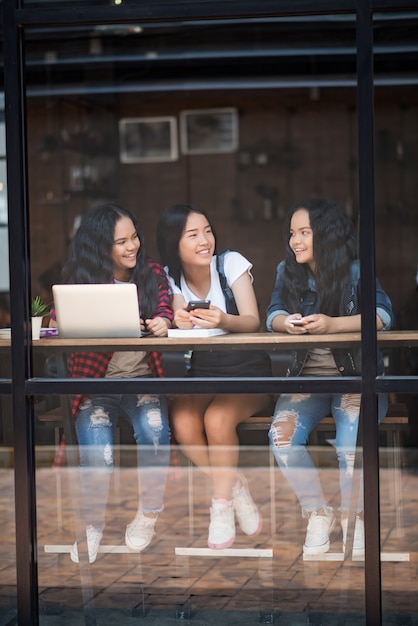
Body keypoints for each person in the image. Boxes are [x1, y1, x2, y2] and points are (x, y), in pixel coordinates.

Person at [266, 197, 394, 557]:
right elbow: (272, 313)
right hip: (307, 381)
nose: (295, 241)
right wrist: (285, 324)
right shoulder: (286, 271)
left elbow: (384, 315)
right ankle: (318, 512)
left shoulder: (355, 272)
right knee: (282, 437)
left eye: (304, 232)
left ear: (326, 234)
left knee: (350, 447)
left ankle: (358, 516)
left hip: (355, 379)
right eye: (292, 233)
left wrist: (332, 325)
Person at [50, 203, 173, 563]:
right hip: (96, 384)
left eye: (134, 236)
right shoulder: (82, 278)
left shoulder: (151, 272)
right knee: (98, 454)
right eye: (121, 241)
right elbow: (59, 323)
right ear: (101, 246)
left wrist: (162, 323)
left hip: (142, 381)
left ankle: (149, 512)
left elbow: (165, 307)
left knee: (154, 432)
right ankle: (93, 525)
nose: (132, 246)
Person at [157, 202, 272, 550]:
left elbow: (253, 320)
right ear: (174, 243)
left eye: (207, 231)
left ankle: (220, 506)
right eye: (193, 235)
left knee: (218, 419)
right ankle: (234, 484)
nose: (205, 240)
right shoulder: (171, 275)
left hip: (248, 372)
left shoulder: (230, 263)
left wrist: (223, 320)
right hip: (204, 372)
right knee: (182, 418)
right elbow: (177, 312)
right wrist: (179, 319)